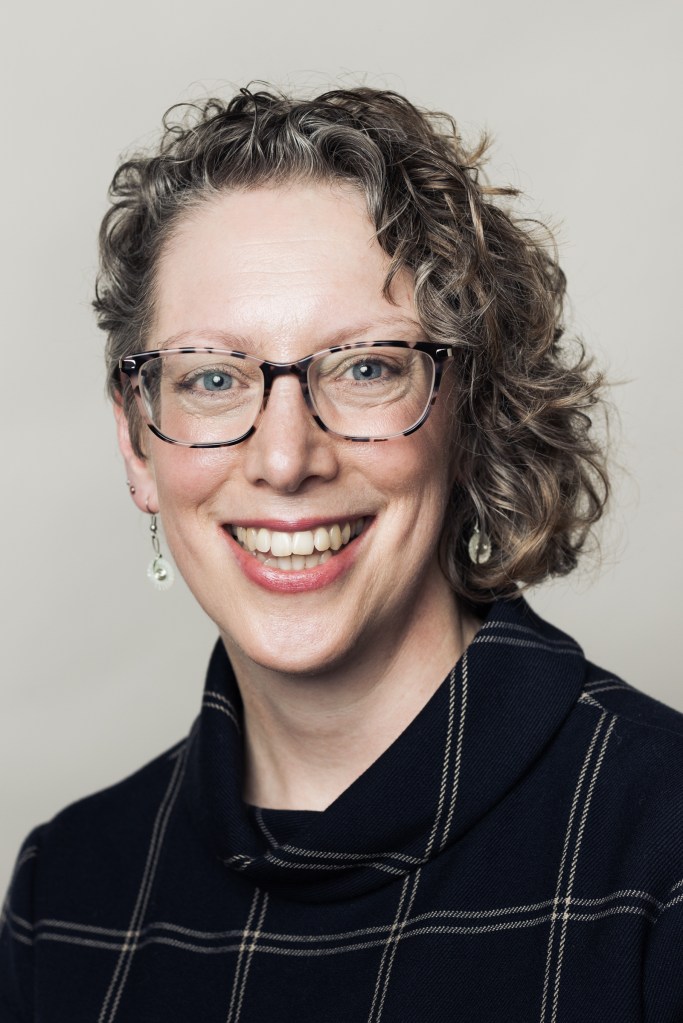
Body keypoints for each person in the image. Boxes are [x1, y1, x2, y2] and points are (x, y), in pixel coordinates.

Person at [1, 85, 681, 1023]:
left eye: (365, 367)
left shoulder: (660, 844)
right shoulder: (67, 893)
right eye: (211, 376)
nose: (284, 459)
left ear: (468, 410)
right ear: (138, 444)